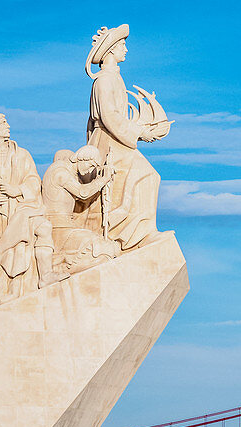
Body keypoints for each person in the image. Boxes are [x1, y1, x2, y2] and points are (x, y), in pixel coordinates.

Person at [85, 24, 165, 249]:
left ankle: (140, 231)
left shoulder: (113, 78)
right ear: (110, 50)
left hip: (116, 140)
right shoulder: (103, 80)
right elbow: (109, 117)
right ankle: (134, 235)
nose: (126, 50)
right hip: (109, 142)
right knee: (147, 175)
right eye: (122, 45)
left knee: (148, 176)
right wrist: (140, 132)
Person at [0, 113, 54, 295]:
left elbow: (34, 180)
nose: (8, 125)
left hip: (20, 209)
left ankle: (46, 275)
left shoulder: (22, 154)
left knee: (44, 227)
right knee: (6, 250)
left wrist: (19, 190)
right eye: (3, 123)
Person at [41, 146, 120, 277]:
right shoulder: (60, 172)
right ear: (83, 158)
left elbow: (84, 197)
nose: (90, 170)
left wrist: (99, 179)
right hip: (59, 228)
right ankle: (60, 269)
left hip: (67, 226)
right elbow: (83, 193)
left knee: (109, 249)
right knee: (102, 248)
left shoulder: (71, 174)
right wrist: (103, 179)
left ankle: (63, 268)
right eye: (91, 165)